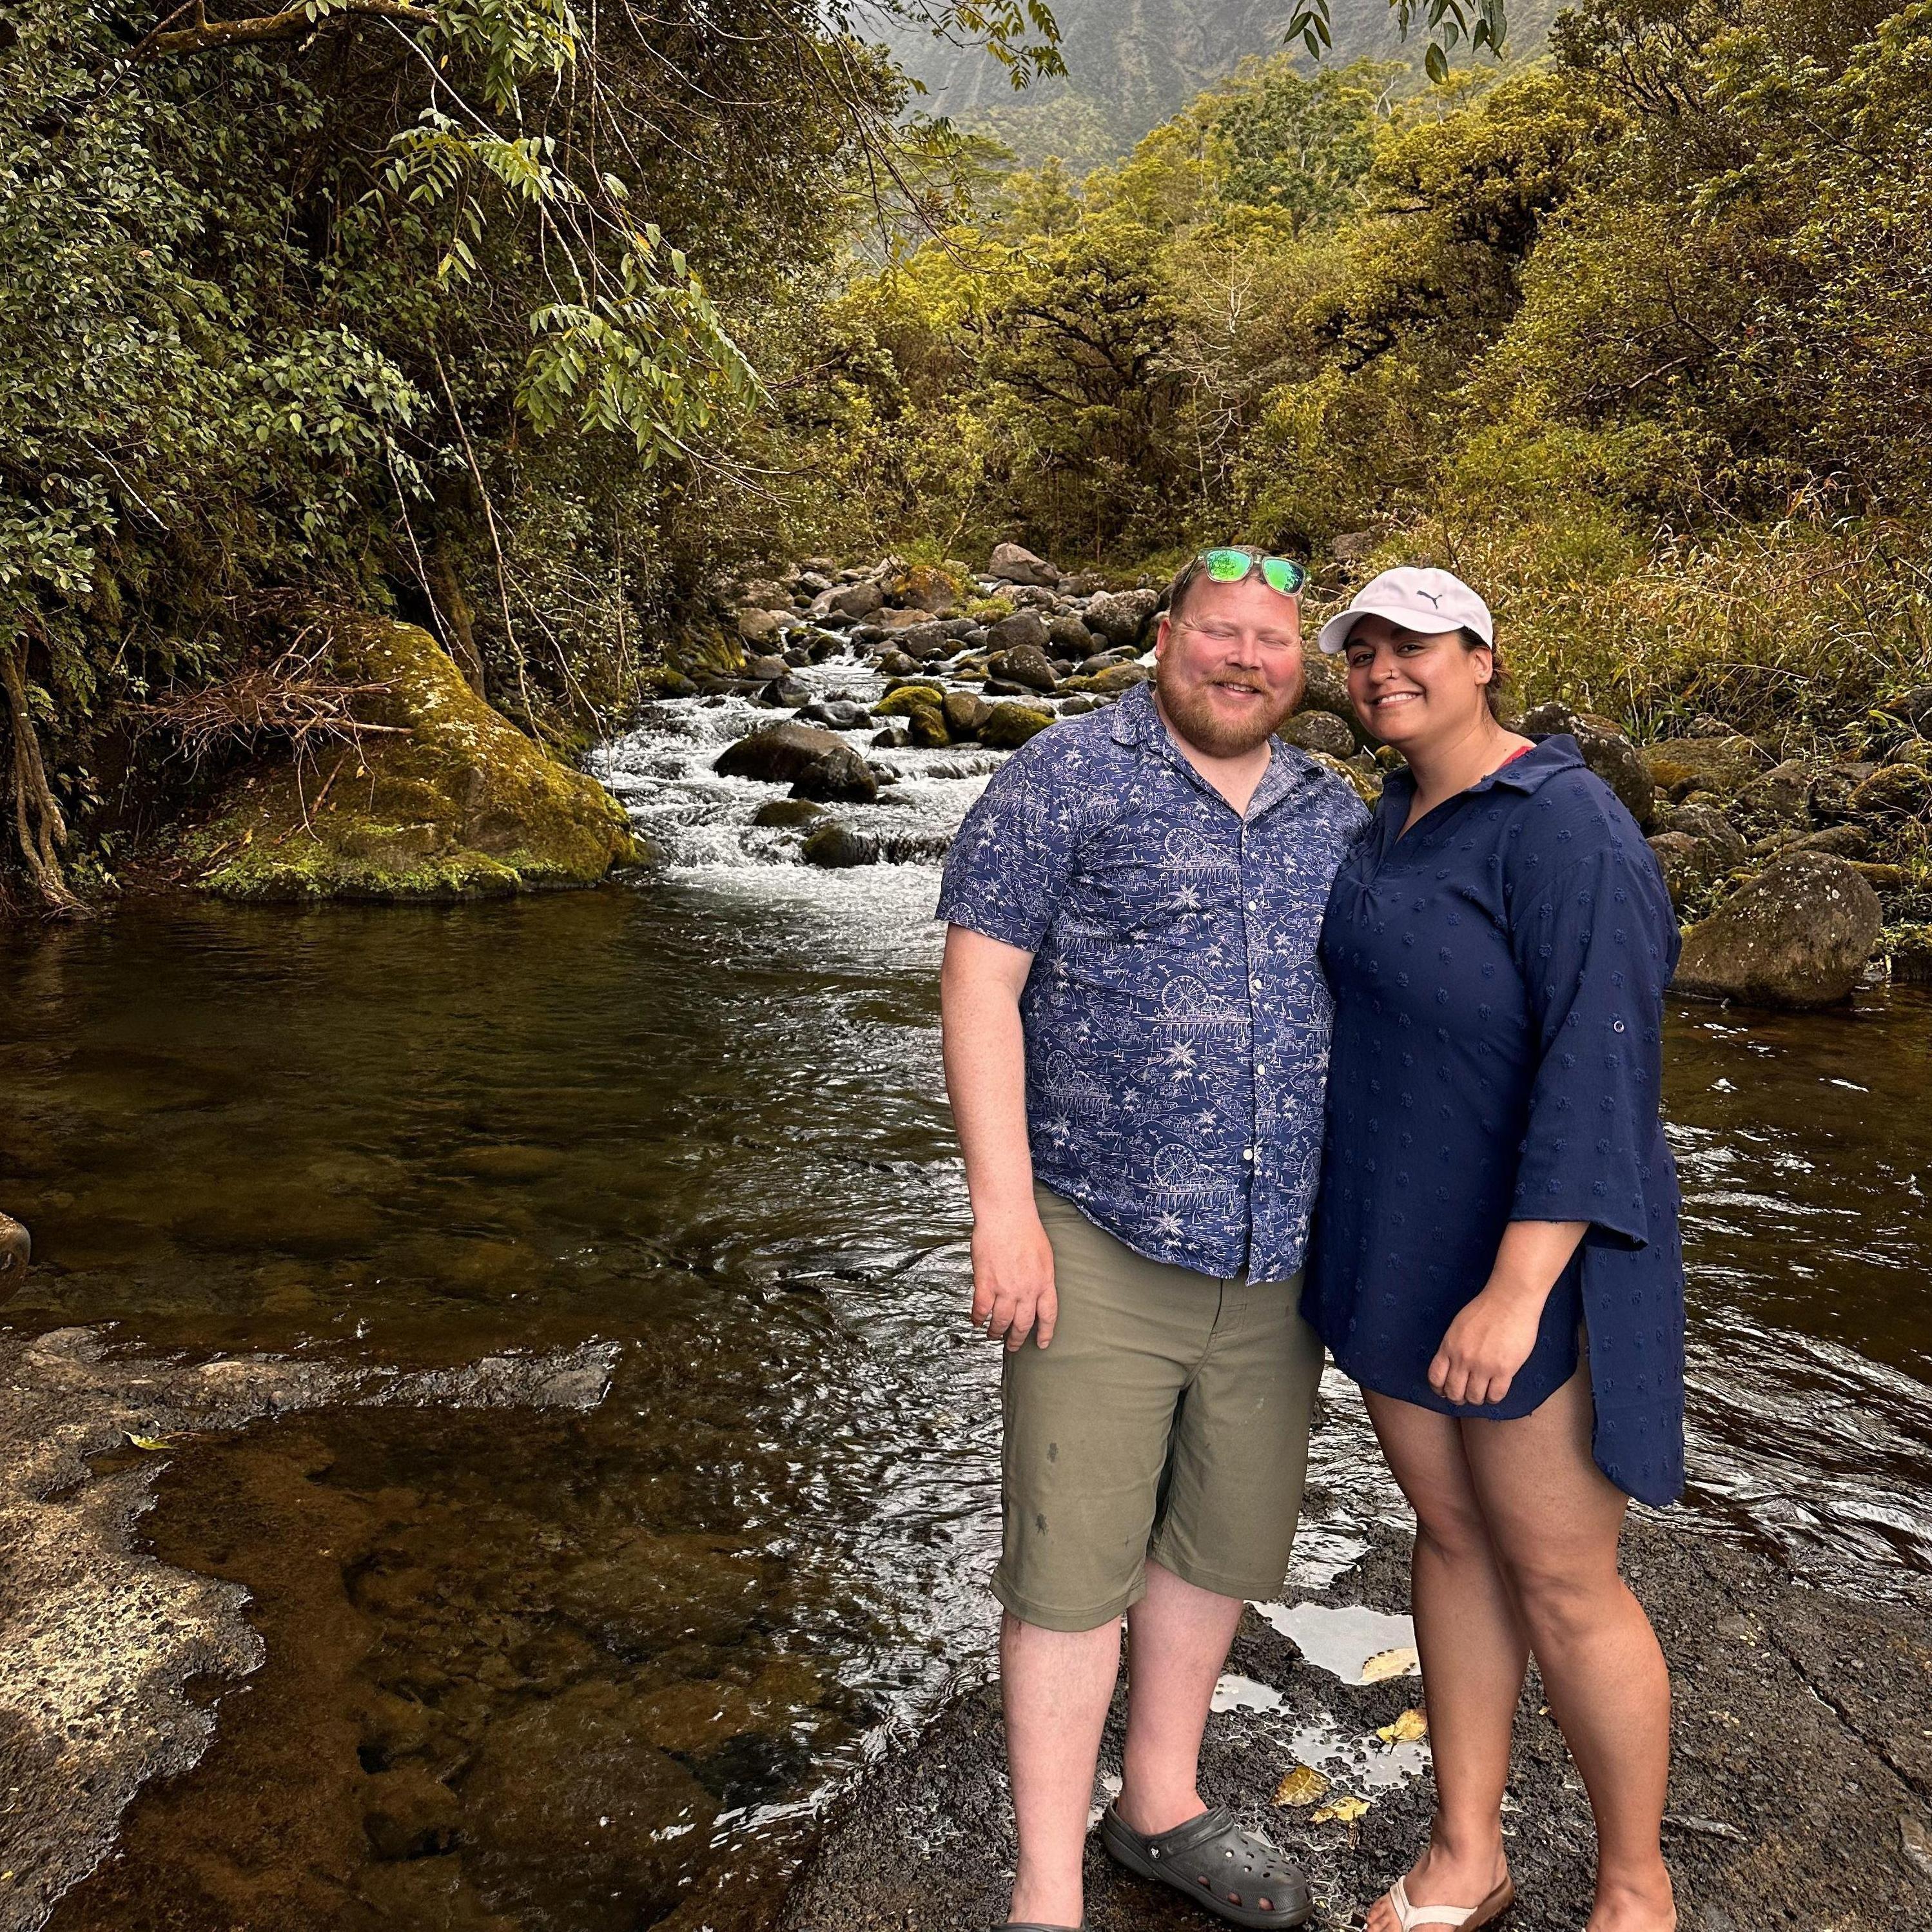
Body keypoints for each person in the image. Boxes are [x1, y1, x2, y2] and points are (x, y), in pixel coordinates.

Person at [937, 546, 1369, 1932]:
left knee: (1214, 1539)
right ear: (1163, 637)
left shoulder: (1335, 808)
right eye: (1218, 632)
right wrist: (1001, 1209)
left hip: (1277, 1247)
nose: (1243, 659)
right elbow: (978, 989)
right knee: (1071, 1564)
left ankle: (1158, 1804)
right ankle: (1046, 1886)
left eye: (1269, 642)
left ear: (1297, 667)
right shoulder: (1060, 773)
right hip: (1094, 1231)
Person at [1302, 567, 1684, 1932]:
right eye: (1360, 652)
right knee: (1452, 1534)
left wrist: (1517, 1288)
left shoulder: (1564, 825)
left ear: (1480, 655)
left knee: (1565, 1580)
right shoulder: (1387, 819)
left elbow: (1600, 1066)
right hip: (1393, 1238)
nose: (1381, 669)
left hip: (1535, 1257)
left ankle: (1635, 1889)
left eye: (1412, 644)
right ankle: (1467, 1846)